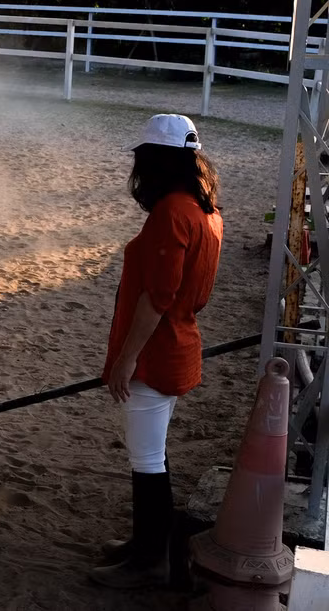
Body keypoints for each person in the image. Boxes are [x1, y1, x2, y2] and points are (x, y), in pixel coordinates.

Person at [90, 114, 223, 589]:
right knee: (153, 453)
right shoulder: (206, 210)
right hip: (178, 343)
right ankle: (149, 545)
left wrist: (126, 359)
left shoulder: (172, 212)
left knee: (146, 460)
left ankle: (150, 561)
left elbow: (157, 297)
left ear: (156, 161)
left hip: (157, 351)